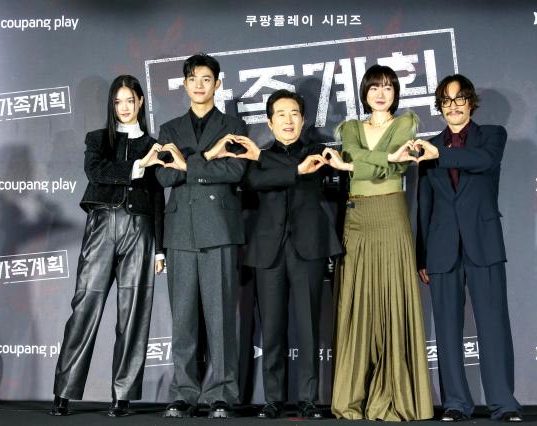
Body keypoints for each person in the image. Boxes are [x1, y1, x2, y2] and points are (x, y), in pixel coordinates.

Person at [51, 75, 166, 417]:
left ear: (141, 102)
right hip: (102, 224)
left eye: (130, 100)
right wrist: (137, 166)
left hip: (141, 229)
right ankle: (64, 392)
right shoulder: (98, 140)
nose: (124, 107)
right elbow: (95, 170)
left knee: (134, 313)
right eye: (118, 102)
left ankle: (123, 395)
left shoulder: (154, 144)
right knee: (85, 306)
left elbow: (158, 196)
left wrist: (161, 248)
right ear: (111, 106)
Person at [324, 64, 433, 421]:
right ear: (364, 93)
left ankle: (393, 395)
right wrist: (378, 159)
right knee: (358, 305)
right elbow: (358, 157)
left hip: (391, 213)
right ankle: (352, 397)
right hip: (356, 217)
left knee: (392, 301)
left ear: (396, 92)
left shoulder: (406, 124)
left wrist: (353, 165)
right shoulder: (350, 128)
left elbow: (395, 169)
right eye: (374, 88)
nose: (381, 93)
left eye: (388, 87)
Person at [414, 74, 522, 422]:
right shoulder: (428, 146)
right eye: (446, 100)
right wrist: (421, 255)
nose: (454, 106)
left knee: (493, 325)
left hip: (483, 243)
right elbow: (424, 203)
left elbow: (483, 162)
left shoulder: (491, 136)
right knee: (446, 329)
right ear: (440, 106)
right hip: (442, 247)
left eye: (460, 99)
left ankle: (504, 404)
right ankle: (456, 403)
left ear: (471, 102)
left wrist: (438, 153)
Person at [233, 90, 342, 419]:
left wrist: (274, 162)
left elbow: (311, 168)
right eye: (281, 114)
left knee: (309, 328)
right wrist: (293, 170)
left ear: (304, 119)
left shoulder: (317, 152)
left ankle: (309, 398)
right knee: (273, 329)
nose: (288, 120)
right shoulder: (257, 159)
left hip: (308, 247)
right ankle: (273, 399)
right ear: (269, 122)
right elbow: (256, 180)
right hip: (268, 251)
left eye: (294, 113)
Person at [155, 53, 247, 419]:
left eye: (206, 79)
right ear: (183, 84)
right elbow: (163, 176)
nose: (198, 85)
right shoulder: (169, 128)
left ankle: (221, 393)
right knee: (183, 319)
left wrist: (187, 164)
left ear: (218, 84)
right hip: (179, 231)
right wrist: (207, 159)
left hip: (220, 230)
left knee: (221, 316)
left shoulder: (233, 124)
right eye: (192, 78)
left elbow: (236, 170)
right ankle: (183, 392)